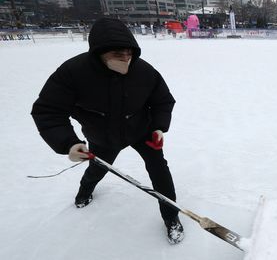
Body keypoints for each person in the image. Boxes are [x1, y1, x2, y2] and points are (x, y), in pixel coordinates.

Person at [31, 18, 184, 244]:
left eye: (128, 53)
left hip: (142, 131)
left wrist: (159, 127)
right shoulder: (73, 73)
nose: (125, 58)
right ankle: (85, 191)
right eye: (117, 54)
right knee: (98, 168)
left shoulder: (144, 71)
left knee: (159, 170)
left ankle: (171, 217)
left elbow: (162, 101)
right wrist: (68, 143)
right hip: (103, 135)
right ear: (99, 53)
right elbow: (48, 111)